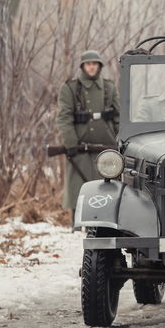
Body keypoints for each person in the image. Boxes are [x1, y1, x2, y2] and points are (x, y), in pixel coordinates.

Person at [55, 50, 120, 225]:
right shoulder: (70, 88)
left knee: (108, 186)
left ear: (99, 66)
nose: (92, 67)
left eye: (95, 64)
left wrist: (121, 142)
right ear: (83, 66)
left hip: (107, 146)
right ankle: (76, 223)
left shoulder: (109, 87)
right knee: (78, 187)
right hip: (79, 146)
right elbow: (64, 117)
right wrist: (71, 143)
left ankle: (108, 223)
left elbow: (117, 117)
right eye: (88, 64)